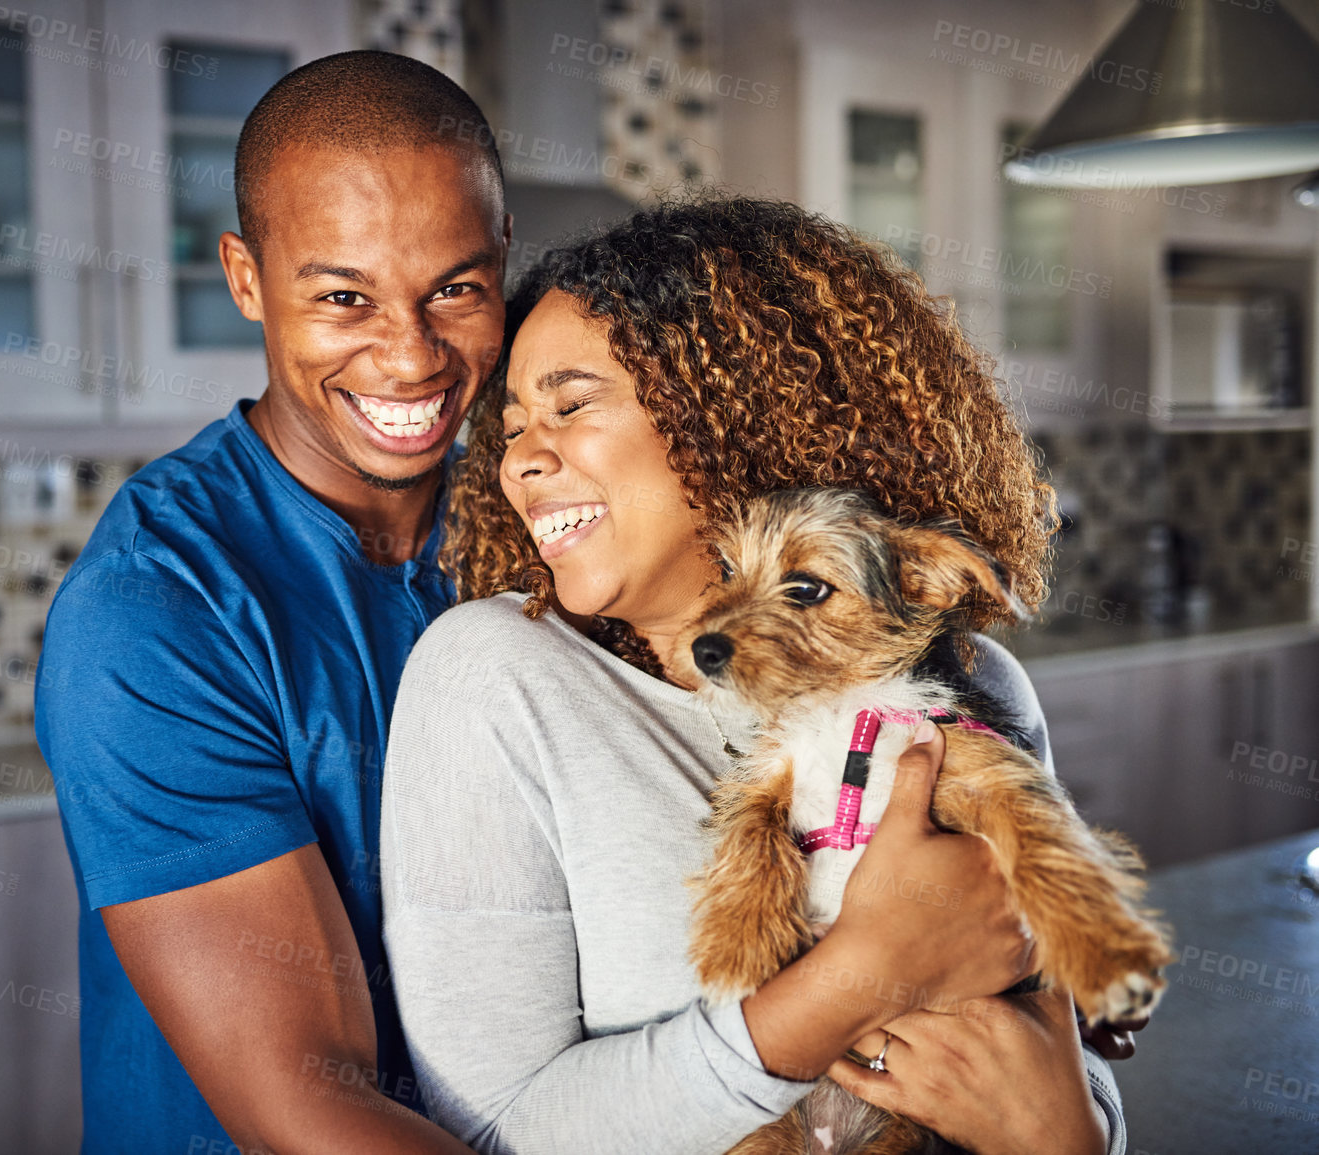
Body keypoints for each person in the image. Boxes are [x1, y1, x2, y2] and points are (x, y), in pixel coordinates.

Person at [380, 197, 1130, 1154]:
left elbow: (1065, 1060)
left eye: (569, 406)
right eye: (512, 426)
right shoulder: (491, 680)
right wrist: (856, 976)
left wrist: (1067, 1131)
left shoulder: (970, 686)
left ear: (737, 417)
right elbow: (498, 1130)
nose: (519, 461)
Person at [35, 51, 510, 1153]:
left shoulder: (542, 527)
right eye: (343, 298)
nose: (411, 356)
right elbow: (312, 1105)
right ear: (246, 279)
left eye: (455, 289)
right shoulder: (151, 614)